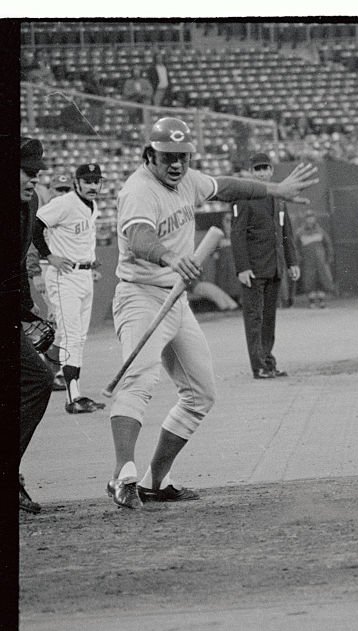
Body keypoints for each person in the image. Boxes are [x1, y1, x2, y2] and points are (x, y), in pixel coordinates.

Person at [107, 117, 317, 510]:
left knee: (201, 393)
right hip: (140, 294)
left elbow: (228, 187)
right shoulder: (139, 189)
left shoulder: (188, 180)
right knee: (138, 381)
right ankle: (122, 476)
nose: (177, 165)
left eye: (183, 157)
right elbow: (137, 237)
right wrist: (170, 256)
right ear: (149, 154)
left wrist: (276, 189)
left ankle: (158, 479)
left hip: (175, 297)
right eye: (168, 157)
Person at [32, 162, 107, 414]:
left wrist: (90, 258)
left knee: (76, 337)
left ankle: (46, 375)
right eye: (87, 181)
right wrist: (48, 255)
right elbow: (35, 225)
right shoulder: (65, 203)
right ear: (77, 183)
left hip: (84, 275)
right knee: (71, 335)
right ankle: (73, 396)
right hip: (64, 276)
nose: (93, 185)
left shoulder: (92, 206)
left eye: (97, 181)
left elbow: (83, 237)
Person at [230, 152, 300, 379]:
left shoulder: (278, 197)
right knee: (254, 317)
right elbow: (237, 234)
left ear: (271, 170)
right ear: (251, 172)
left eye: (265, 169)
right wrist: (242, 268)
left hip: (274, 267)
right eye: (258, 169)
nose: (262, 173)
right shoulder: (243, 197)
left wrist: (292, 261)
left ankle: (268, 362)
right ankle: (258, 365)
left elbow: (286, 232)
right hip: (254, 269)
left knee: (269, 318)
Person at [19, 138, 57, 514]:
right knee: (36, 380)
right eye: (28, 173)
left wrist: (28, 312)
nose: (35, 180)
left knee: (37, 381)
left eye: (37, 173)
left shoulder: (29, 203)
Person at [296, 211, 335, 308]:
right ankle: (312, 301)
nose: (310, 219)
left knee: (322, 279)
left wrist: (329, 256)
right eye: (308, 217)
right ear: (305, 219)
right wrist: (298, 258)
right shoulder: (300, 232)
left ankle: (322, 301)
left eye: (312, 217)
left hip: (321, 260)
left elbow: (328, 244)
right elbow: (296, 246)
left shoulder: (320, 231)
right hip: (307, 261)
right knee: (309, 280)